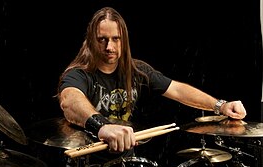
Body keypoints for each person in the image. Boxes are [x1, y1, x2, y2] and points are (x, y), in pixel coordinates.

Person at [57, 6, 246, 158]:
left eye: (116, 39)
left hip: (126, 161)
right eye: (102, 40)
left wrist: (221, 105)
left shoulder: (137, 70)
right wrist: (102, 127)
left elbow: (178, 90)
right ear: (91, 41)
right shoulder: (79, 74)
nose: (109, 47)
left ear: (125, 41)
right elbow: (70, 100)